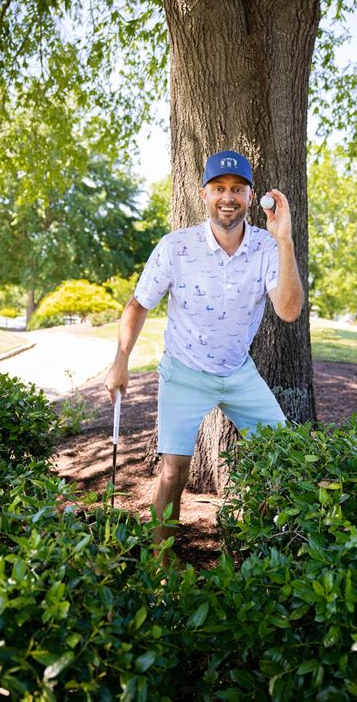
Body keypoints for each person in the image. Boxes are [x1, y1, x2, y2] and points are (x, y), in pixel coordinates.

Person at [104, 149, 304, 560]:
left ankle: (286, 551)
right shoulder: (175, 247)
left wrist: (284, 238)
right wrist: (120, 359)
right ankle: (161, 564)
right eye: (218, 189)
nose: (227, 197)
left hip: (238, 372)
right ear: (204, 194)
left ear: (251, 197)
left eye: (237, 189)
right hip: (184, 371)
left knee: (290, 456)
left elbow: (288, 310)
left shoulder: (268, 247)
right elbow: (138, 304)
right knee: (174, 469)